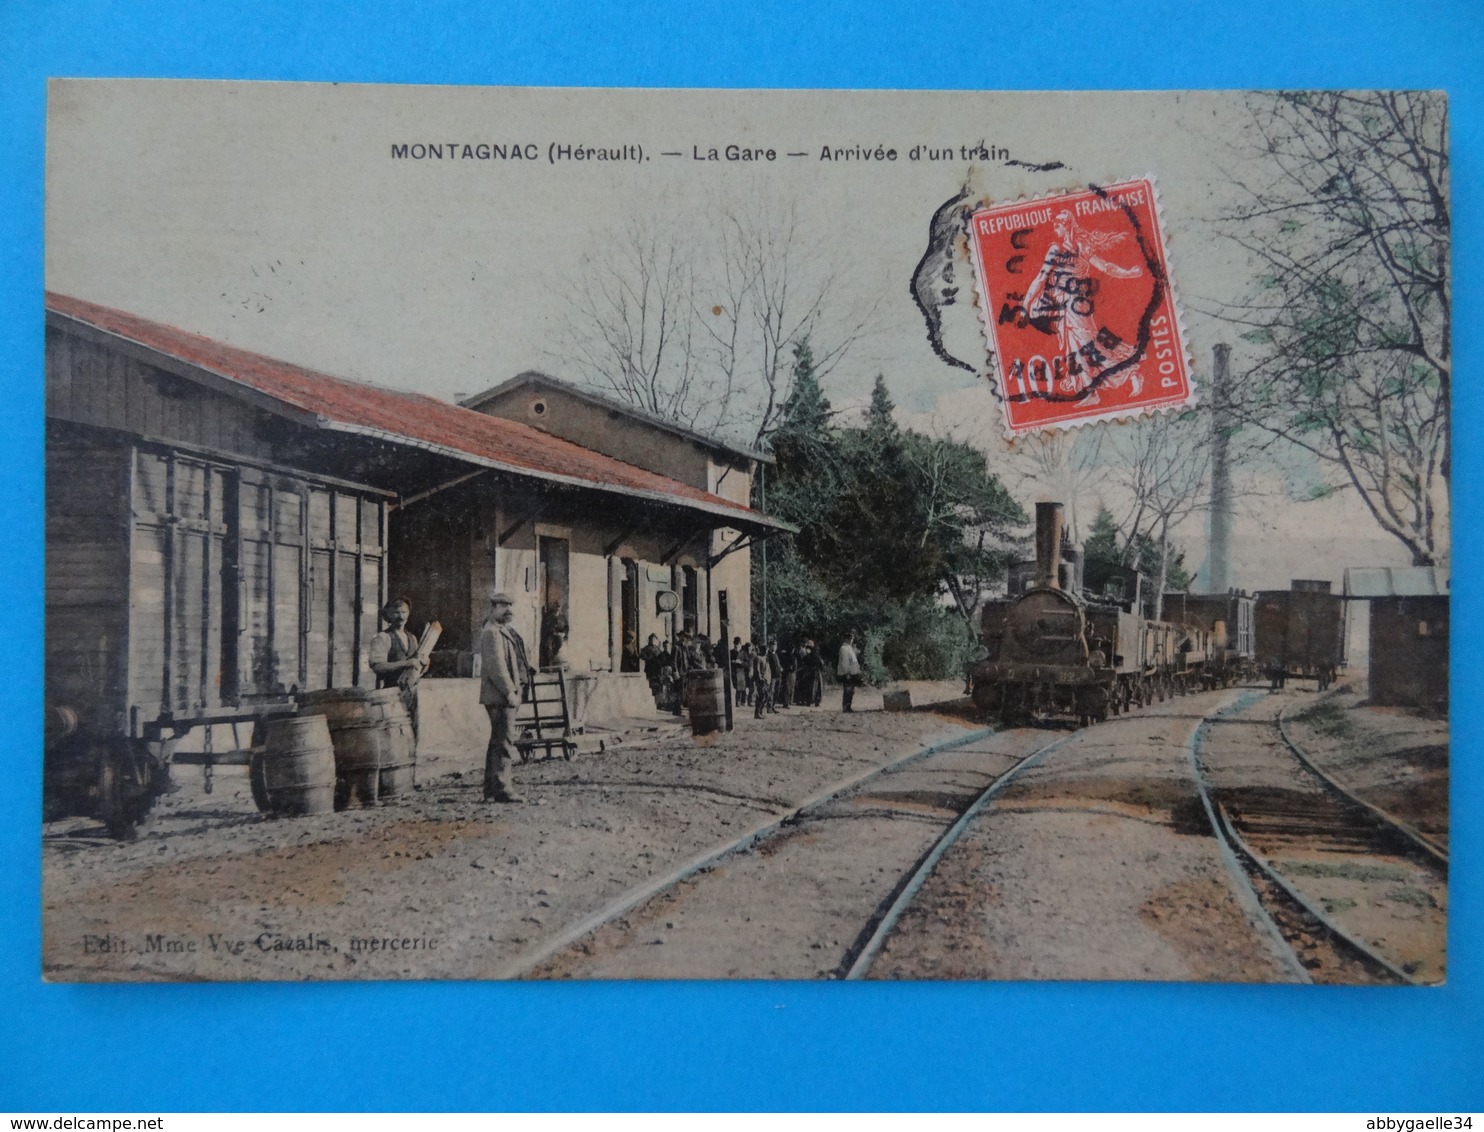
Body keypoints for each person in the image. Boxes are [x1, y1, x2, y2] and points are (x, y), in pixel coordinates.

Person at [478, 590, 532, 803]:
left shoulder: (502, 630)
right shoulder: (491, 632)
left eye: (510, 606)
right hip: (499, 695)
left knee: (498, 741)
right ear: (494, 608)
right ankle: (503, 788)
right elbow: (496, 666)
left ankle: (492, 788)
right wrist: (509, 691)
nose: (509, 611)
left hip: (500, 695)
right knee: (504, 742)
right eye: (503, 607)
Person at [368, 598, 427, 741]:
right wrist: (406, 663)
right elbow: (378, 666)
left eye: (404, 612)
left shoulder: (412, 638)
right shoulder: (383, 637)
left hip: (411, 693)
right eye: (396, 612)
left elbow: (416, 669)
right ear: (388, 614)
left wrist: (424, 664)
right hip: (391, 693)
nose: (401, 616)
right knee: (394, 734)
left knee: (413, 731)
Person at [837, 630, 862, 712]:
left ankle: (848, 706)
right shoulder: (844, 648)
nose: (851, 640)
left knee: (850, 691)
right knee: (848, 690)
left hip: (852, 673)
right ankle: (846, 707)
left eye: (851, 639)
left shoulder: (849, 648)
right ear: (846, 639)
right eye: (850, 638)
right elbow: (845, 662)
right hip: (848, 673)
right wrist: (847, 672)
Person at [798, 639, 824, 706]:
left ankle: (810, 701)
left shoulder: (810, 655)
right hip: (814, 671)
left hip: (810, 671)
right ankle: (814, 701)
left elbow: (804, 661)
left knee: (812, 687)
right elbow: (821, 664)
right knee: (815, 687)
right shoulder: (815, 655)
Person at [752, 644, 774, 718]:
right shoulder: (758, 658)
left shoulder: (765, 658)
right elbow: (757, 670)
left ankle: (760, 711)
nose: (765, 651)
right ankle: (757, 712)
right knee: (761, 696)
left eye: (766, 650)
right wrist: (760, 678)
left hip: (767, 679)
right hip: (761, 680)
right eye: (764, 650)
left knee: (766, 696)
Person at [778, 640, 798, 708]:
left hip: (785, 672)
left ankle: (786, 702)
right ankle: (787, 702)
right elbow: (794, 667)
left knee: (786, 688)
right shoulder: (792, 657)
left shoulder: (783, 655)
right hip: (791, 673)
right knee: (789, 688)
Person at [730, 637, 748, 707]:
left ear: (740, 644)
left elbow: (747, 663)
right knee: (735, 687)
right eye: (735, 643)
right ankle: (735, 701)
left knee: (741, 688)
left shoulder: (743, 653)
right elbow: (727, 661)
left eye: (738, 644)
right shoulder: (731, 652)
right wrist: (732, 662)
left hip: (741, 672)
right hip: (734, 671)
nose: (736, 645)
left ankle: (740, 701)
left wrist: (741, 662)